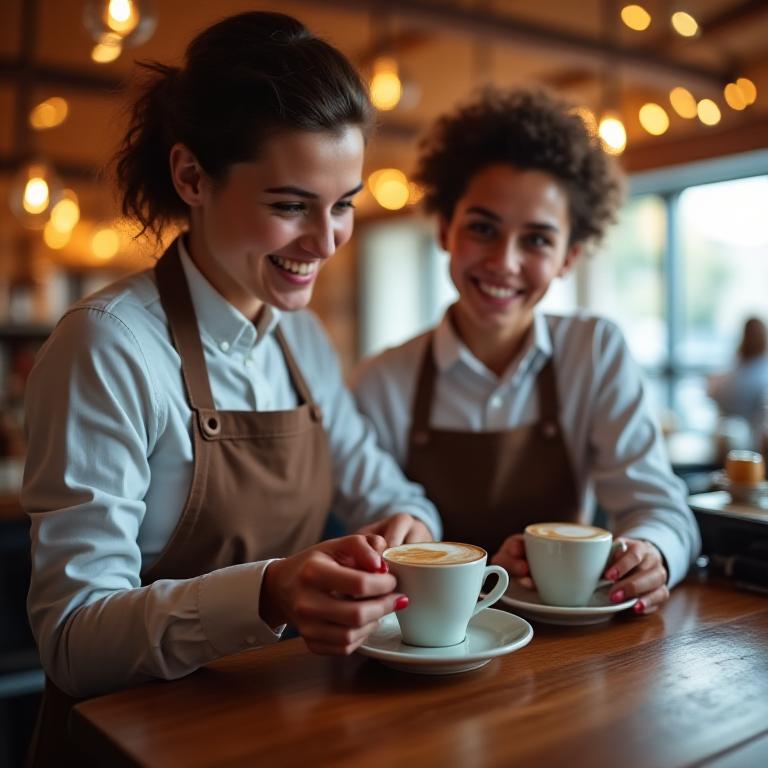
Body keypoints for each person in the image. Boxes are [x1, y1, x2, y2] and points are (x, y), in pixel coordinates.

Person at [22, 11, 441, 744]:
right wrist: (270, 590)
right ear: (191, 176)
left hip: (279, 725)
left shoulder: (303, 342)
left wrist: (411, 534)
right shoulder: (108, 346)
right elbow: (72, 638)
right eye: (290, 206)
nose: (326, 241)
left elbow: (393, 495)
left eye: (343, 205)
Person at [353, 88, 700, 616]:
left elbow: (659, 508)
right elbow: (375, 523)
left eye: (537, 240)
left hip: (568, 646)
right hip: (429, 640)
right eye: (482, 228)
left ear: (569, 257)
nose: (504, 261)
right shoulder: (382, 379)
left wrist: (653, 553)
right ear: (445, 229)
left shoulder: (594, 351)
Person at [708, 317, 768, 450]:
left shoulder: (733, 371)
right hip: (754, 446)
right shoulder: (760, 370)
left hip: (727, 444)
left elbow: (714, 392)